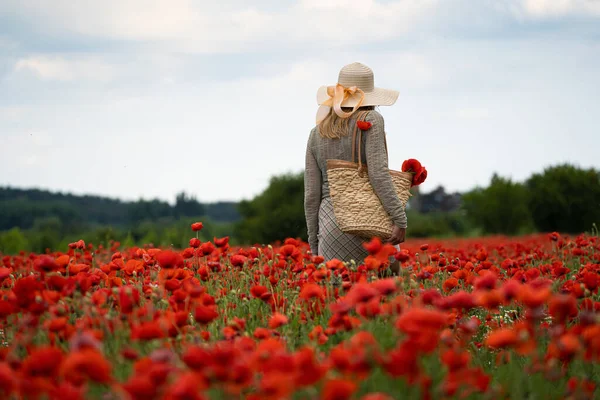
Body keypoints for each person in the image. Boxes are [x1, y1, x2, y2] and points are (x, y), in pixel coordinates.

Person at [304, 62, 407, 273]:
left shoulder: (316, 133)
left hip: (330, 226)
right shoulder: (371, 119)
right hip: (369, 223)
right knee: (383, 294)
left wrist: (315, 246)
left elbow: (311, 196)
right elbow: (378, 174)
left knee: (339, 298)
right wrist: (399, 218)